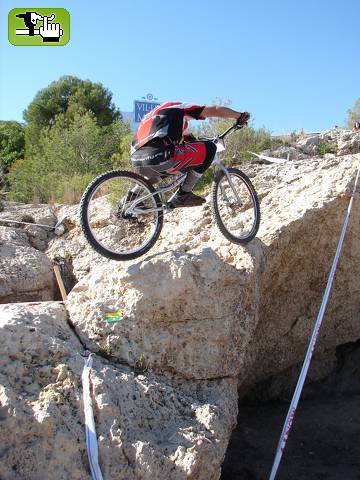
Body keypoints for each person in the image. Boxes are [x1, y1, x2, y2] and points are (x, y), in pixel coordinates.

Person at [130, 102, 250, 207]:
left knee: (163, 170)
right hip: (161, 155)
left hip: (138, 160)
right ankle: (184, 194)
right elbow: (214, 110)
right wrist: (239, 116)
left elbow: (191, 141)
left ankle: (131, 197)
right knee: (210, 148)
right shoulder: (177, 107)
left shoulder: (150, 119)